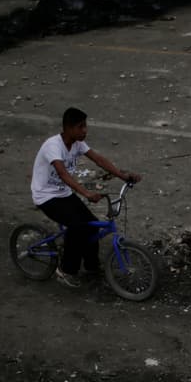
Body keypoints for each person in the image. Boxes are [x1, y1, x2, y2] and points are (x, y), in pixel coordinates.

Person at [30, 107, 141, 287]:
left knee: (92, 225)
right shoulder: (53, 146)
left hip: (64, 194)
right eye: (80, 127)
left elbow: (99, 159)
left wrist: (123, 176)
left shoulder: (77, 144)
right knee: (78, 228)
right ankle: (66, 270)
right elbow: (63, 174)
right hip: (46, 197)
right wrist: (86, 193)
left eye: (85, 126)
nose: (85, 130)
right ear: (68, 128)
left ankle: (91, 266)